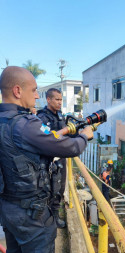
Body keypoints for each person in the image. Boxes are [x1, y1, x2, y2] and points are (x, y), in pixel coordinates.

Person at [0, 66, 93, 253]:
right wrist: (84, 136)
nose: (38, 96)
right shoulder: (26, 124)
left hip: (8, 208)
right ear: (18, 90)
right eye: (34, 90)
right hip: (32, 213)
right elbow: (66, 147)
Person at [37, 88, 66, 228]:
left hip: (60, 159)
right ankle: (48, 219)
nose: (60, 102)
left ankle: (55, 217)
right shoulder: (41, 118)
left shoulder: (60, 115)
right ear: (48, 99)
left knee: (60, 189)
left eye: (61, 99)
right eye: (57, 99)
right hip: (47, 161)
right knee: (49, 190)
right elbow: (46, 136)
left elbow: (66, 134)